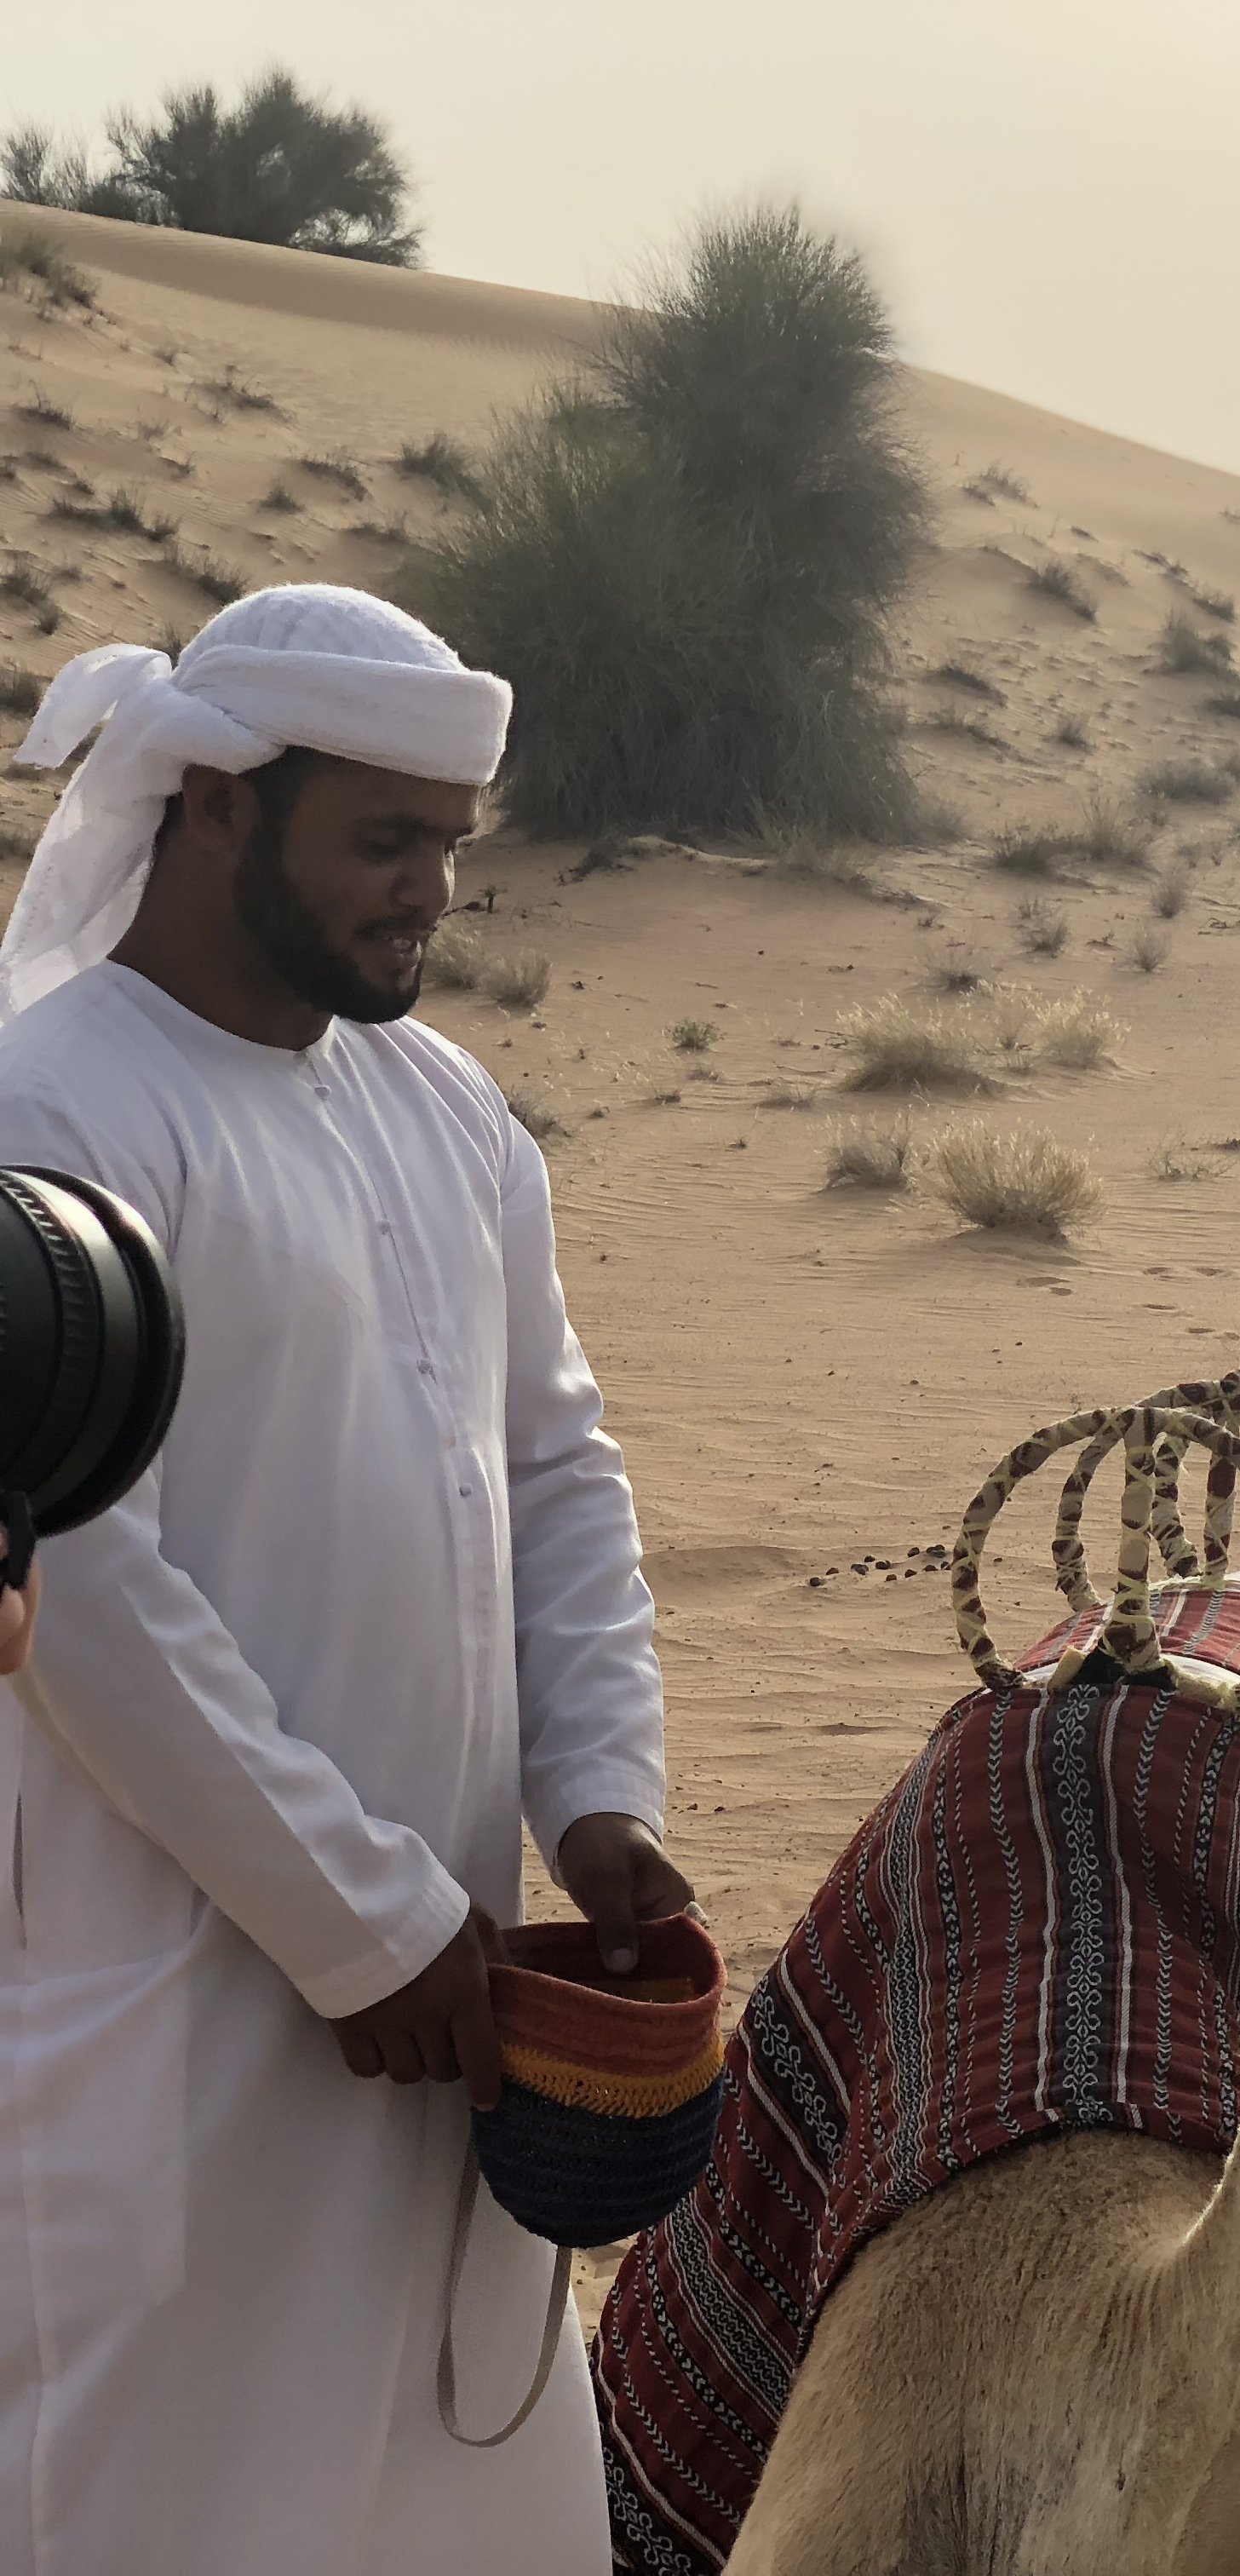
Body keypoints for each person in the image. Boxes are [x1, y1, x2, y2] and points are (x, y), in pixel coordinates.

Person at [0, 588, 686, 2573]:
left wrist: (605, 1794)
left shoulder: (451, 1111)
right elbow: (86, 1591)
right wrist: (363, 1925)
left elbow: (554, 1461)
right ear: (216, 805)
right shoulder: (54, 1111)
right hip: (171, 2027)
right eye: (384, 842)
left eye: (453, 846)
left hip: (450, 2012)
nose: (432, 894)